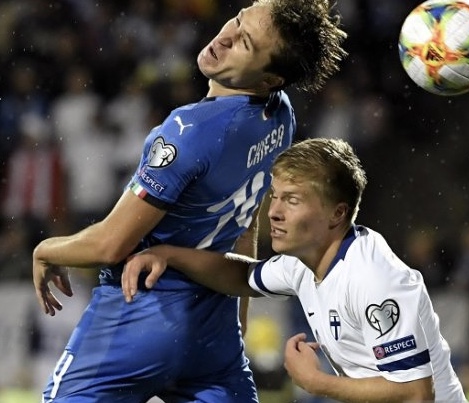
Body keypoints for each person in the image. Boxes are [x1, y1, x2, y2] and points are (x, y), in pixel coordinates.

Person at [32, 0, 347, 401]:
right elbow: (246, 221)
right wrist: (238, 318)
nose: (225, 37)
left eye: (245, 43)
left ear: (270, 78)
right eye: (236, 20)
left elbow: (111, 245)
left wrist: (46, 249)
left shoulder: (188, 131)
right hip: (213, 333)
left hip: (138, 317)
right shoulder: (280, 117)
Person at [123, 138, 468, 402]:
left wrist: (315, 382)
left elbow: (416, 393)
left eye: (292, 200)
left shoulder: (374, 279)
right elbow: (242, 276)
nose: (273, 212)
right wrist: (169, 254)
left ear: (337, 214)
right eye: (275, 196)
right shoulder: (302, 263)